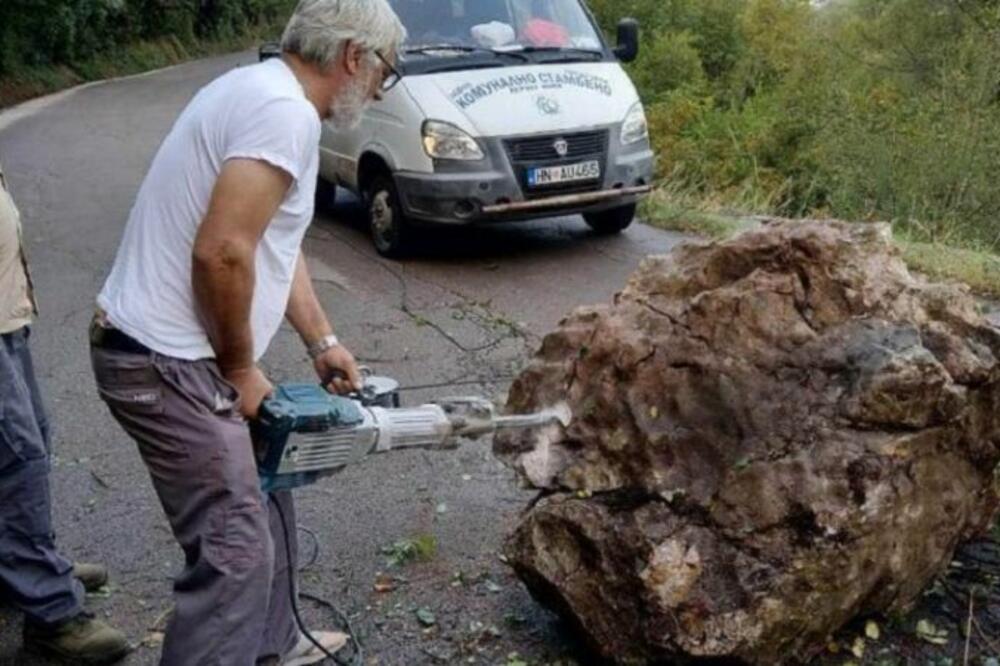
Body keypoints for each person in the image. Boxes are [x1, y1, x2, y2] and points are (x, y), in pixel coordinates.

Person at [88, 0, 405, 664]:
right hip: (162, 362)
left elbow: (270, 248)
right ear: (354, 57)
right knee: (234, 552)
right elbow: (224, 252)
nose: (378, 90)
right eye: (384, 73)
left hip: (177, 356)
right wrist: (239, 369)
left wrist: (321, 341)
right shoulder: (282, 112)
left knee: (269, 485)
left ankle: (272, 644)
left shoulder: (264, 91)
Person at [0, 163, 129, 663]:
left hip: (7, 315)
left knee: (33, 442)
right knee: (17, 460)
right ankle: (51, 615)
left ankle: (31, 567)